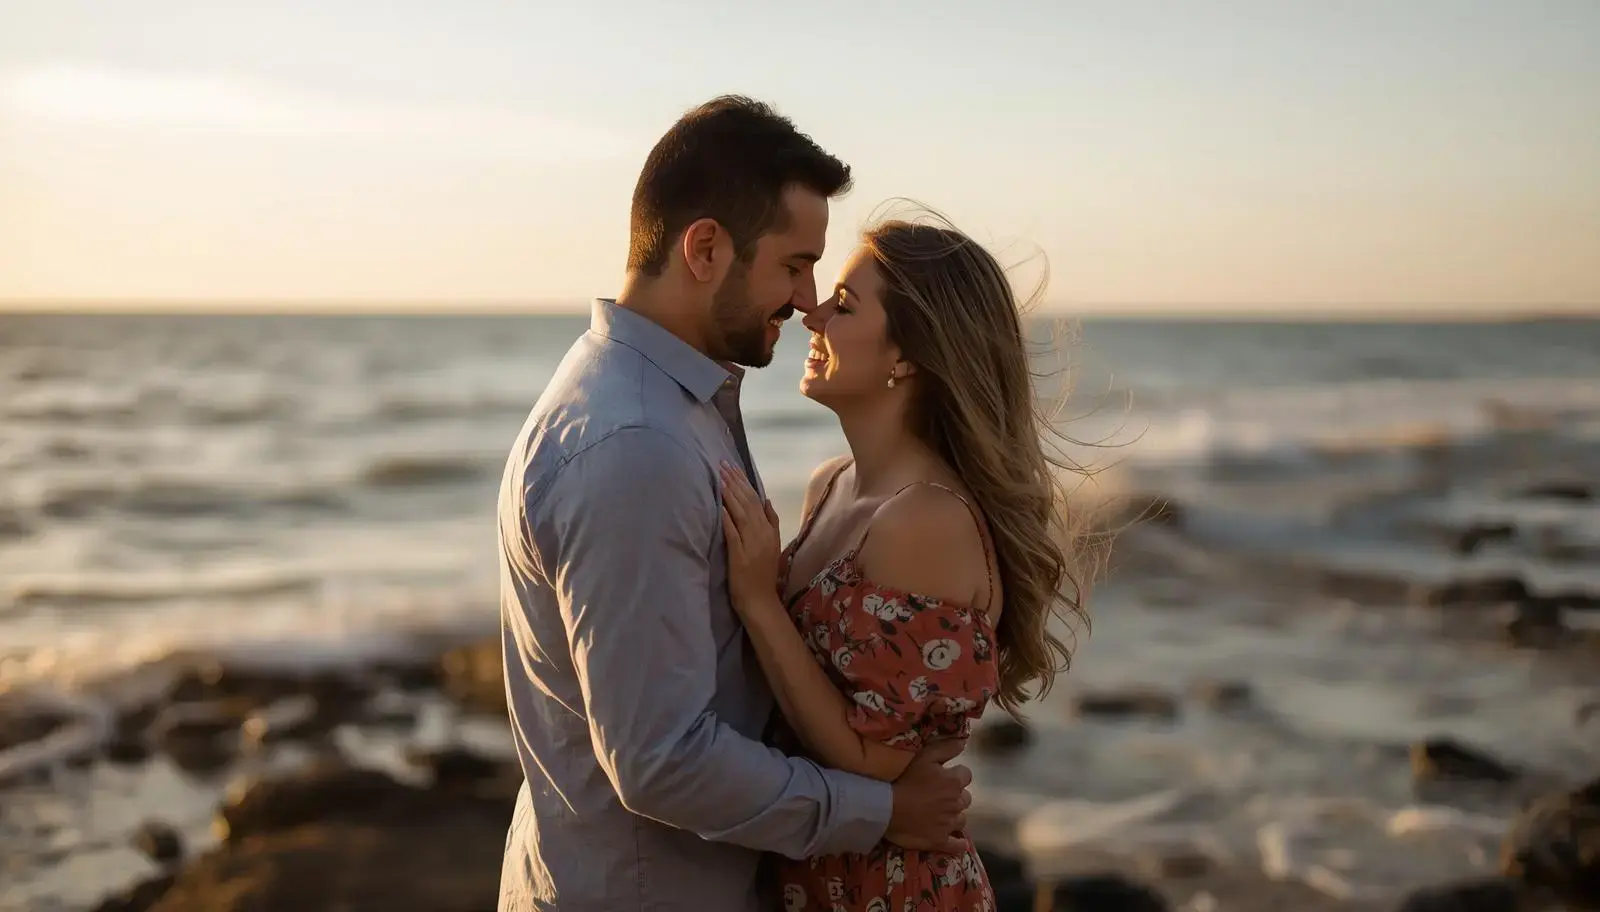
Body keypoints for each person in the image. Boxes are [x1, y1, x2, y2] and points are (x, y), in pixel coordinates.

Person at [495, 97, 974, 912]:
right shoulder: (635, 446)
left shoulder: (678, 403)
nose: (807, 299)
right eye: (794, 264)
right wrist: (883, 813)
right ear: (707, 248)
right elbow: (662, 761)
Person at [718, 214, 1091, 911]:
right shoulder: (832, 484)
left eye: (845, 306)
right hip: (810, 872)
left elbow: (871, 758)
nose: (812, 316)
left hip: (889, 891)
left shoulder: (928, 521)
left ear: (911, 356)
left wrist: (758, 601)